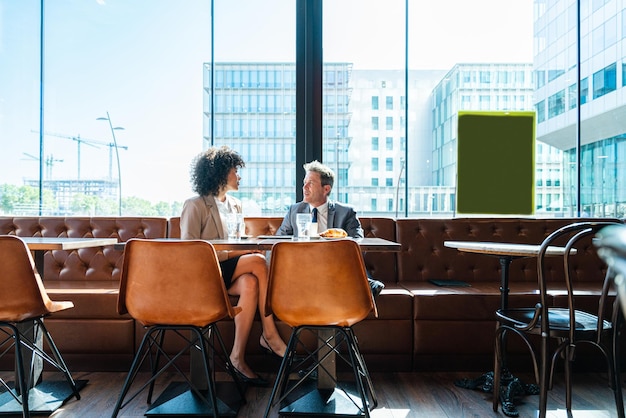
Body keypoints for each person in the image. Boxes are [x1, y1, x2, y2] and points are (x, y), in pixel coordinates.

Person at [180, 146, 287, 387]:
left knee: (250, 282)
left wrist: (245, 247)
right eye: (235, 171)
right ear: (219, 173)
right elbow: (190, 253)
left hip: (228, 272)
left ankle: (237, 358)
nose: (239, 176)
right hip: (203, 274)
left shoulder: (236, 205)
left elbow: (237, 239)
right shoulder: (195, 205)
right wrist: (237, 253)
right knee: (258, 261)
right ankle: (269, 335)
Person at [276, 160, 385, 297]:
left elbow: (358, 243)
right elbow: (278, 240)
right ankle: (366, 283)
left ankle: (365, 283)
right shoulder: (294, 210)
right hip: (302, 264)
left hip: (335, 264)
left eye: (310, 183)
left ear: (326, 189)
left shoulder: (346, 212)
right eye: (304, 182)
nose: (304, 187)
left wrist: (337, 243)